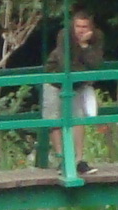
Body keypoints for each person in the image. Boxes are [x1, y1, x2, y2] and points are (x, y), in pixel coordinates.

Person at [40, 9, 105, 171]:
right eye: (78, 26)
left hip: (77, 83)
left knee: (78, 118)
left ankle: (78, 160)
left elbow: (96, 63)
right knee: (54, 119)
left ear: (90, 27)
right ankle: (62, 159)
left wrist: (84, 46)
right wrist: (84, 74)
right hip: (55, 79)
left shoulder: (96, 37)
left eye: (84, 27)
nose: (80, 30)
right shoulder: (64, 35)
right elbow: (65, 63)